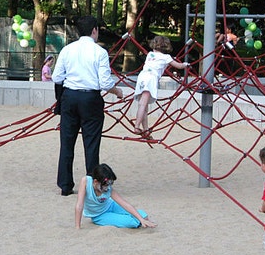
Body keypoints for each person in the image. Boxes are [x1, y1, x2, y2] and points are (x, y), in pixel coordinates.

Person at [52, 16, 123, 196]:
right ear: (94, 30)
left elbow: (57, 78)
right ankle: (93, 183)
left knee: (67, 142)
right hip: (90, 99)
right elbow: (106, 83)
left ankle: (65, 185)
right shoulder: (99, 52)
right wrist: (117, 91)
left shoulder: (67, 50)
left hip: (69, 97)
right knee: (91, 143)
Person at [133, 35, 189, 136]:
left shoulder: (150, 54)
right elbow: (178, 66)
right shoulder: (166, 57)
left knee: (143, 105)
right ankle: (137, 126)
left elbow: (159, 60)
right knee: (143, 104)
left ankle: (145, 129)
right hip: (151, 78)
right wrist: (185, 64)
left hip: (142, 77)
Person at [74, 163, 157, 229]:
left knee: (143, 215)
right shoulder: (85, 181)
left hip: (111, 206)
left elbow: (124, 203)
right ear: (95, 181)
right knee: (131, 222)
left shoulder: (109, 189)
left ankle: (140, 220)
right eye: (105, 186)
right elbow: (79, 205)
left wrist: (141, 219)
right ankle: (137, 221)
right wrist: (77, 226)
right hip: (99, 215)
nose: (107, 188)